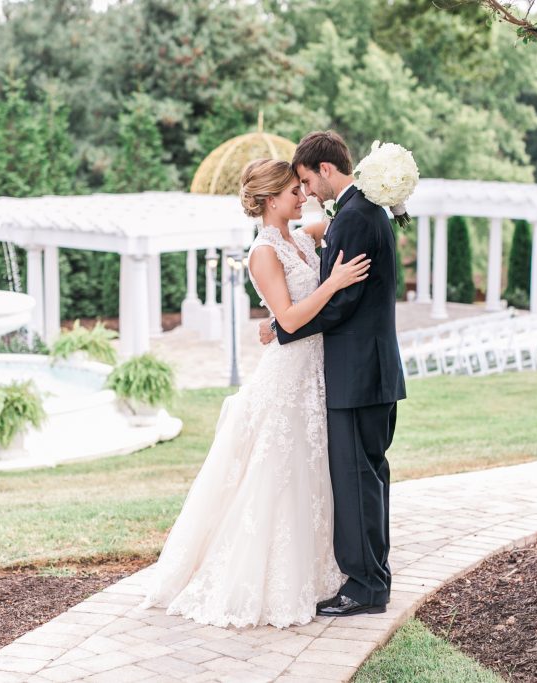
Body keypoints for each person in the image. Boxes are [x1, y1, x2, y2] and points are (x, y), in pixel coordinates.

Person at [140, 158, 370, 628]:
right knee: (279, 471)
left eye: (301, 189)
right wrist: (333, 283)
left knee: (314, 469)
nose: (303, 196)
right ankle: (269, 580)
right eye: (292, 192)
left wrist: (377, 185)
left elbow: (349, 211)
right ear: (269, 200)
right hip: (288, 375)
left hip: (316, 371)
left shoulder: (302, 237)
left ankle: (320, 568)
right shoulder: (263, 252)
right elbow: (287, 319)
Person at [259, 130, 406, 617]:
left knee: (356, 480)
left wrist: (283, 329)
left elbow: (341, 302)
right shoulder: (363, 212)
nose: (306, 192)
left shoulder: (355, 217)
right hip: (368, 373)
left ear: (325, 169)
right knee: (369, 478)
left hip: (356, 375)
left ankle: (365, 586)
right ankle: (374, 577)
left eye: (306, 180)